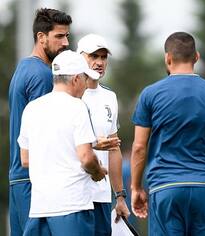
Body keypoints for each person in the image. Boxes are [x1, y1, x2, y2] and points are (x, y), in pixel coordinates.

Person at [130, 32, 205, 235]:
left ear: (167, 58)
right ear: (196, 57)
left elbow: (139, 147)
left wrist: (136, 188)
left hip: (165, 188)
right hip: (202, 187)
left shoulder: (150, 94)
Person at [17, 50, 107, 236]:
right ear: (75, 79)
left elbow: (25, 160)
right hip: (72, 207)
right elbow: (86, 157)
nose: (86, 85)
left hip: (40, 208)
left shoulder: (31, 109)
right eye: (85, 79)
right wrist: (98, 172)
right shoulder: (77, 107)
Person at [8, 8, 72, 236]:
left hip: (18, 179)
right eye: (59, 36)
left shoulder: (23, 68)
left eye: (67, 36)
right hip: (34, 180)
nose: (65, 42)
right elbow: (46, 132)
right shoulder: (43, 75)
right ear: (41, 37)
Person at [77, 33, 130, 235]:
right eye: (93, 56)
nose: (99, 62)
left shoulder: (110, 97)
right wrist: (92, 145)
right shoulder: (69, 96)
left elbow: (114, 148)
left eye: (103, 57)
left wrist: (120, 197)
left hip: (101, 195)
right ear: (79, 56)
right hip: (73, 195)